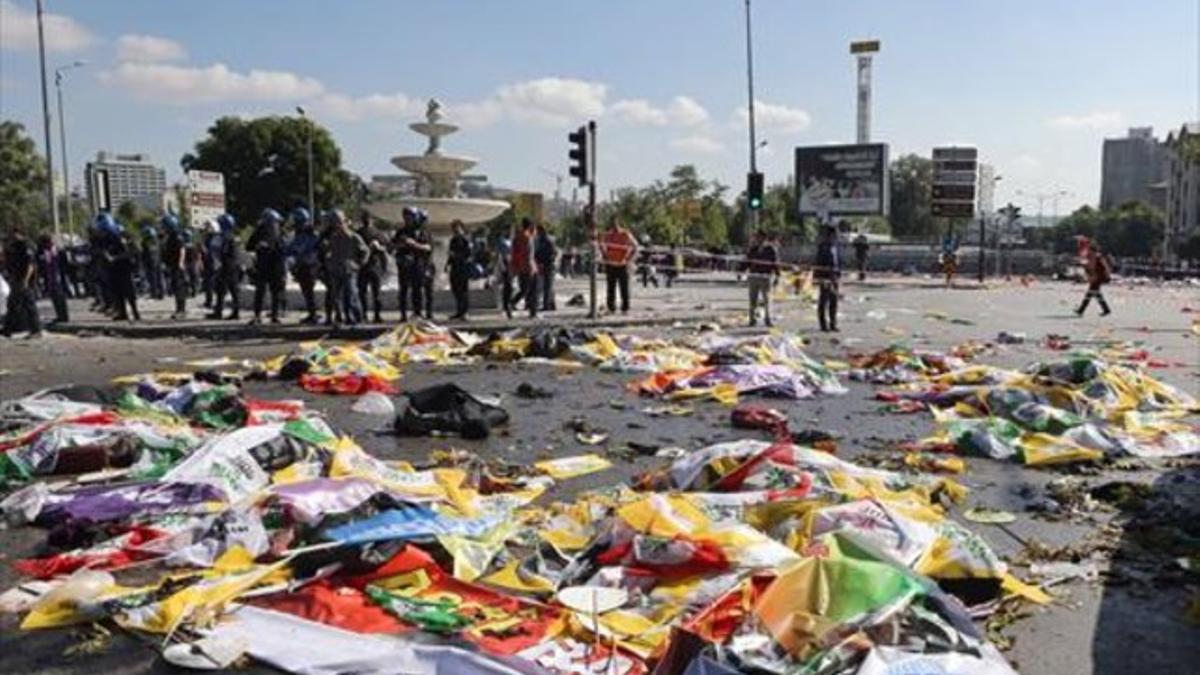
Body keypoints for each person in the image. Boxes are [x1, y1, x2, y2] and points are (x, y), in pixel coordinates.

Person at [324, 209, 368, 327]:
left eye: (339, 223)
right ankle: (340, 318)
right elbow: (328, 252)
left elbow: (365, 251)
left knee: (351, 294)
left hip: (349, 270)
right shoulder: (333, 238)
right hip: (335, 270)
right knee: (336, 296)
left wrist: (358, 264)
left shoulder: (353, 237)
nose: (338, 226)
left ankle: (356, 319)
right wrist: (328, 262)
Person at [392, 207, 432, 322]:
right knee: (403, 290)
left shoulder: (421, 231)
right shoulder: (401, 232)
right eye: (405, 216)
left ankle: (417, 313)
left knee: (417, 290)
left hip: (417, 264)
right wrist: (402, 245)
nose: (407, 219)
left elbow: (428, 247)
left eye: (410, 216)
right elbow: (392, 246)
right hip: (404, 265)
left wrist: (414, 244)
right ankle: (403, 314)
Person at [248, 208, 286, 324]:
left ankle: (272, 315)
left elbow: (283, 250)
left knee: (272, 291)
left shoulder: (278, 233)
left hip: (272, 264)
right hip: (265, 264)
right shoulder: (262, 232)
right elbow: (249, 246)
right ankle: (260, 315)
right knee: (263, 290)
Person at [2, 231, 42, 338]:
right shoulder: (13, 246)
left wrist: (26, 280)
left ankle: (36, 330)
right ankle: (7, 329)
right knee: (12, 304)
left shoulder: (26, 246)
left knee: (29, 305)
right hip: (16, 279)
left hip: (24, 280)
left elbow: (31, 265)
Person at [285, 208, 321, 324]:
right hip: (302, 265)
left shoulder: (309, 234)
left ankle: (313, 314)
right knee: (306, 291)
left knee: (308, 291)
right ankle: (312, 313)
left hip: (308, 265)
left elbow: (302, 248)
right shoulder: (299, 233)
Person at [103, 218, 141, 322]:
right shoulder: (108, 238)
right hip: (114, 269)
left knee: (128, 291)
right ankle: (122, 313)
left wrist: (115, 258)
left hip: (125, 268)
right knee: (117, 292)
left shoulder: (123, 236)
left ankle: (135, 312)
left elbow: (130, 252)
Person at [208, 214, 242, 320]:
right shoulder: (232, 236)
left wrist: (219, 263)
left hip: (227, 265)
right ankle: (235, 312)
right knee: (233, 290)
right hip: (233, 265)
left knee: (221, 289)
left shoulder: (226, 237)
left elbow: (223, 252)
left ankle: (219, 312)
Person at [356, 213, 388, 323]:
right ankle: (363, 315)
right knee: (362, 293)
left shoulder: (378, 233)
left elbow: (387, 248)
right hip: (362, 267)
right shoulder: (358, 233)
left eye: (368, 219)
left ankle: (377, 315)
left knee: (377, 294)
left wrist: (379, 248)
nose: (367, 221)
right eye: (365, 218)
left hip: (375, 266)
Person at [601, 217, 637, 313]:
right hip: (611, 265)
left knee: (624, 288)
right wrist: (605, 256)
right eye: (612, 223)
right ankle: (611, 307)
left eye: (615, 223)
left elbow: (635, 246)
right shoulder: (607, 235)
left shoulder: (625, 234)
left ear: (618, 223)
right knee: (611, 288)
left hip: (622, 265)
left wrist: (628, 259)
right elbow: (601, 245)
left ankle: (625, 308)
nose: (614, 225)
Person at [746, 230, 779, 327]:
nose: (758, 239)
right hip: (754, 276)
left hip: (765, 277)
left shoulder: (771, 249)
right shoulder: (753, 249)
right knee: (753, 300)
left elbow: (775, 263)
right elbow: (747, 261)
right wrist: (741, 271)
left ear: (765, 238)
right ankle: (752, 319)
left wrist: (777, 275)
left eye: (760, 237)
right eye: (757, 237)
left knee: (767, 299)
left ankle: (768, 319)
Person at [159, 214, 189, 319]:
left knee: (179, 288)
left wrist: (180, 263)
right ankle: (178, 310)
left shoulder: (177, 236)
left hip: (177, 266)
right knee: (176, 288)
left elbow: (182, 249)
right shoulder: (169, 236)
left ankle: (181, 311)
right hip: (172, 265)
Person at [814, 224, 841, 332]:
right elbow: (819, 263)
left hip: (834, 277)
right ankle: (823, 324)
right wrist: (819, 277)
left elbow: (837, 262)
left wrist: (838, 275)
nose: (837, 236)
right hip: (825, 277)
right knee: (824, 301)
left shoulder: (835, 247)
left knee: (833, 301)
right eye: (835, 234)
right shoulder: (823, 247)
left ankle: (833, 324)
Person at [36, 234, 69, 324]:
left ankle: (64, 316)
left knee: (60, 297)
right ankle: (59, 315)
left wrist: (64, 274)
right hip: (49, 277)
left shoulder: (58, 250)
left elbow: (64, 264)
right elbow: (40, 264)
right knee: (54, 297)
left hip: (58, 275)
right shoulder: (42, 252)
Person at [509, 218, 539, 318]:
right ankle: (531, 311)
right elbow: (527, 254)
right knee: (530, 290)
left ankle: (531, 311)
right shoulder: (527, 237)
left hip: (523, 267)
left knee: (525, 289)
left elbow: (515, 254)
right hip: (529, 267)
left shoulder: (517, 237)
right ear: (530, 226)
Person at [1075, 241, 1113, 317]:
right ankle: (1105, 309)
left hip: (1098, 277)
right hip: (1100, 276)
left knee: (1091, 293)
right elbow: (1106, 267)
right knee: (1094, 293)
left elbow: (1092, 267)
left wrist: (1083, 265)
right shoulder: (1099, 256)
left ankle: (1081, 310)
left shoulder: (1094, 256)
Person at [447, 220, 472, 320]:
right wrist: (448, 263)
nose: (455, 230)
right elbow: (450, 253)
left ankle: (465, 312)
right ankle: (459, 311)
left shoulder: (465, 240)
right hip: (454, 267)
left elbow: (469, 254)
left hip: (463, 268)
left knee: (463, 290)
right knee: (456, 289)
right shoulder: (453, 240)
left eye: (457, 228)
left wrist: (457, 256)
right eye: (454, 229)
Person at [535, 222, 557, 312]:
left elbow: (552, 253)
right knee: (547, 286)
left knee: (547, 286)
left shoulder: (547, 241)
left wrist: (544, 261)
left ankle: (547, 305)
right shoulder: (542, 240)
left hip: (548, 265)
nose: (538, 233)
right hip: (544, 265)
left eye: (539, 231)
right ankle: (549, 304)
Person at [141, 226, 164, 300]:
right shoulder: (157, 241)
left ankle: (155, 294)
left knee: (153, 279)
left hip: (151, 262)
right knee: (159, 278)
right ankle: (160, 294)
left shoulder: (145, 242)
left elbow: (145, 253)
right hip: (157, 261)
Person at [494, 235, 514, 319]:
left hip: (506, 274)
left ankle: (507, 307)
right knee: (507, 290)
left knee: (507, 290)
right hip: (505, 274)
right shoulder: (502, 257)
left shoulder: (505, 256)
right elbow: (501, 266)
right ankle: (507, 307)